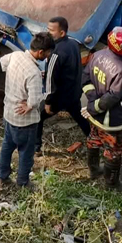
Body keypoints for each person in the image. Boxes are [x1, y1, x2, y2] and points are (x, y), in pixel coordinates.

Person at [82, 27, 122, 190]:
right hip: (111, 119)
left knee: (94, 140)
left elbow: (86, 79)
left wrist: (92, 102)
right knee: (114, 150)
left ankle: (94, 170)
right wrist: (96, 106)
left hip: (94, 116)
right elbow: (113, 96)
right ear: (120, 48)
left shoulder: (98, 55)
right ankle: (112, 184)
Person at [0, 32, 55, 188]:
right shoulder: (33, 73)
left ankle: (2, 176)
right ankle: (23, 182)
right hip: (25, 122)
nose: (48, 56)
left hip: (9, 113)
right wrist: (29, 105)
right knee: (26, 153)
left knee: (7, 147)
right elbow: (35, 100)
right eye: (48, 53)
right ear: (41, 52)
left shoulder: (15, 56)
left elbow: (2, 62)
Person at [40, 16, 89, 156]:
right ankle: (93, 140)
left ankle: (36, 148)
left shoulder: (55, 52)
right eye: (48, 29)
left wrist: (48, 102)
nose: (48, 33)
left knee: (38, 118)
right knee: (80, 117)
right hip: (73, 92)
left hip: (60, 97)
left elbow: (51, 80)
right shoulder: (73, 43)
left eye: (51, 30)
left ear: (62, 33)